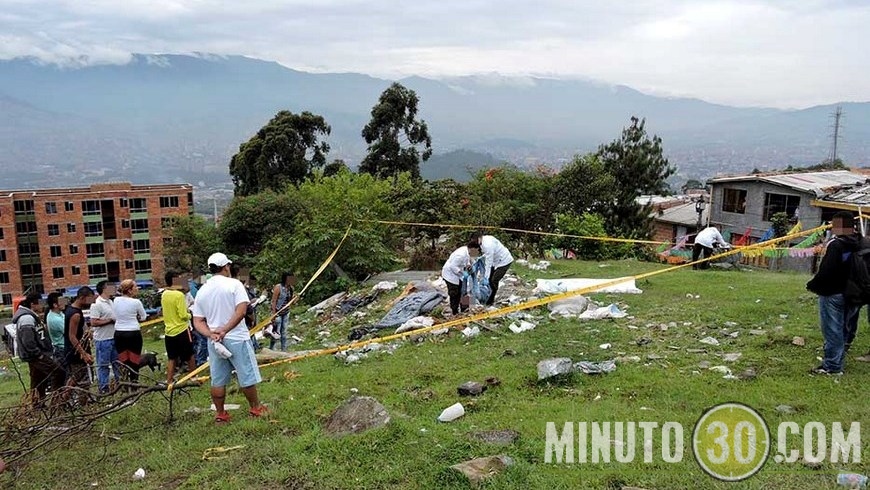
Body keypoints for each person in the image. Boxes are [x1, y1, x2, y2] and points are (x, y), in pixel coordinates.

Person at [192, 252, 267, 423]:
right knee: (246, 374)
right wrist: (224, 330)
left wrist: (211, 334)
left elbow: (197, 320)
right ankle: (256, 408)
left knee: (217, 379)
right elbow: (241, 311)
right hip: (237, 337)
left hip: (215, 342)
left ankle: (220, 413)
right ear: (226, 266)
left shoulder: (203, 290)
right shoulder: (234, 284)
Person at [806, 211, 862, 375]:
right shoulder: (862, 242)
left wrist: (813, 285)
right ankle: (838, 358)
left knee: (832, 330)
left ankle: (832, 366)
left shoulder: (837, 245)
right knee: (845, 327)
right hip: (855, 293)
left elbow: (827, 270)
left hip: (833, 293)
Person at [15, 293, 65, 406]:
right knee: (58, 372)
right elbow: (28, 341)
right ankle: (57, 402)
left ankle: (38, 404)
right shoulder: (26, 318)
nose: (43, 306)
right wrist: (39, 354)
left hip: (36, 354)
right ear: (33, 304)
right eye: (40, 303)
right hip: (36, 355)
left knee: (38, 380)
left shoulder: (31, 316)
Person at [161, 272, 196, 384]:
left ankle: (169, 380)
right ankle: (194, 377)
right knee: (189, 355)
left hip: (169, 331)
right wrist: (191, 314)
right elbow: (183, 315)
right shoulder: (179, 295)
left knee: (172, 358)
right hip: (182, 330)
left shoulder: (164, 294)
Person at [112, 280, 147, 384]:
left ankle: (124, 381)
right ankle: (134, 382)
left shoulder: (116, 300)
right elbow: (144, 317)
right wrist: (135, 317)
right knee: (134, 359)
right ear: (130, 290)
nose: (137, 289)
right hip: (133, 333)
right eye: (135, 287)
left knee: (123, 359)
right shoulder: (136, 302)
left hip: (119, 333)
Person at [64, 287, 96, 397]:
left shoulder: (72, 310)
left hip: (76, 349)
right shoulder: (75, 314)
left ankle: (64, 400)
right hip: (75, 352)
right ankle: (69, 401)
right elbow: (72, 336)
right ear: (82, 298)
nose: (91, 302)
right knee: (81, 380)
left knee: (76, 377)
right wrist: (83, 354)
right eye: (89, 299)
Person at [89, 281, 120, 393]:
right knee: (103, 365)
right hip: (103, 340)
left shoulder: (111, 302)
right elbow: (93, 322)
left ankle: (120, 384)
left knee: (117, 364)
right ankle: (103, 388)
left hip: (114, 338)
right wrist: (110, 321)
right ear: (104, 289)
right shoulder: (96, 304)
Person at [470, 233, 514, 306]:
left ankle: (490, 300)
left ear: (480, 238)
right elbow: (488, 255)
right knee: (490, 280)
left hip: (504, 261)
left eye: (476, 241)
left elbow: (488, 263)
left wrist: (485, 277)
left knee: (493, 280)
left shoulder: (487, 245)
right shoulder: (485, 240)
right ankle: (487, 297)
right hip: (496, 260)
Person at [441, 242, 482, 315]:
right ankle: (454, 311)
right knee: (455, 293)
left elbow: (468, 261)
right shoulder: (460, 255)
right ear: (472, 249)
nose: (477, 252)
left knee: (464, 290)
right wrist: (462, 273)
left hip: (459, 274)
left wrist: (469, 266)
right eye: (477, 250)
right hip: (450, 275)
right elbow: (453, 266)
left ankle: (465, 308)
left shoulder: (467, 252)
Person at [266, 272, 295, 351]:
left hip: (286, 313)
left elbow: (291, 301)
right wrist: (274, 313)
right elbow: (274, 301)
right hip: (278, 313)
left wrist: (295, 298)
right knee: (276, 332)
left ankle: (284, 349)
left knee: (284, 332)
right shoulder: (278, 287)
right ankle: (271, 348)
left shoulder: (291, 288)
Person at [45, 292, 66, 367]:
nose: (64, 303)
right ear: (55, 305)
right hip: (62, 350)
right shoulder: (55, 319)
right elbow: (69, 332)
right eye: (62, 301)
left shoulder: (58, 313)